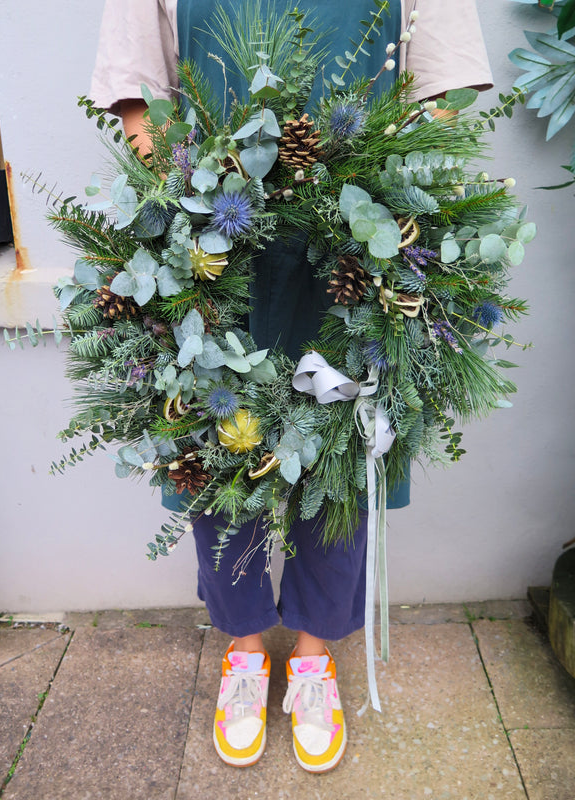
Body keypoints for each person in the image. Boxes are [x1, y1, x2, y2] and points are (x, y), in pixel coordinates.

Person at [91, 0, 493, 772]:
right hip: (214, 232)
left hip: (356, 230)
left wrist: (400, 196)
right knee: (211, 442)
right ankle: (245, 647)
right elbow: (136, 85)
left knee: (345, 440)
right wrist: (178, 205)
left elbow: (440, 84)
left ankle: (312, 655)